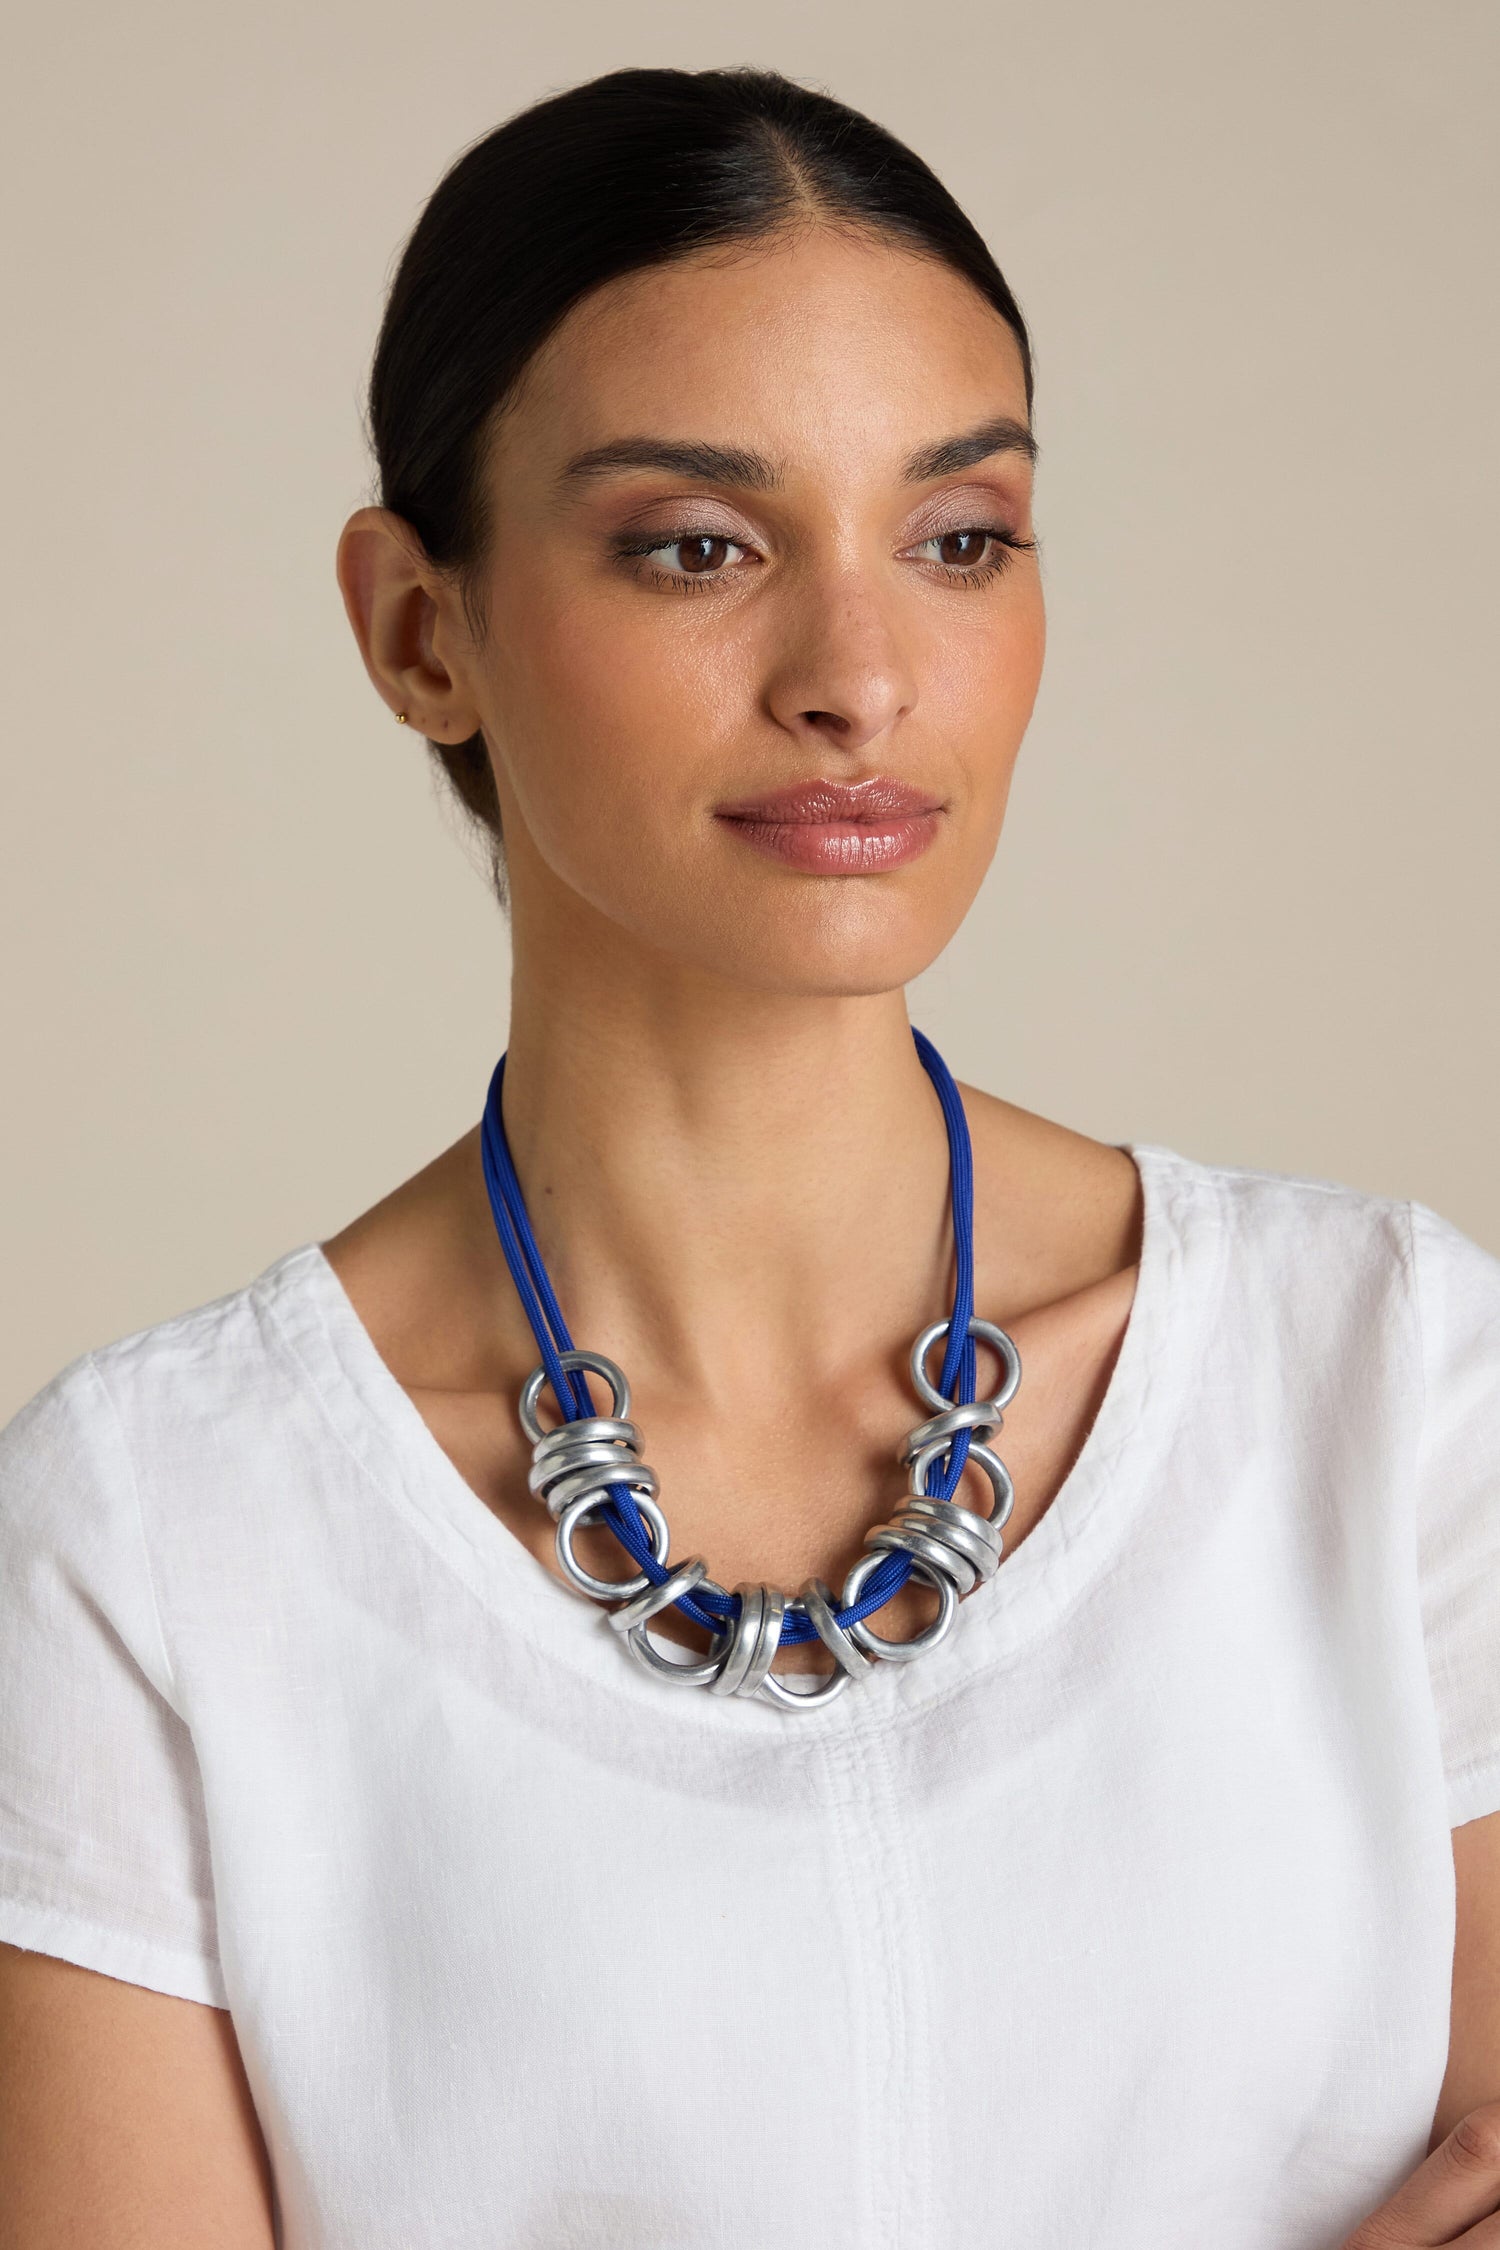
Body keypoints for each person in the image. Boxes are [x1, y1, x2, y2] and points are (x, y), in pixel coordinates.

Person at [1, 61, 1497, 2250]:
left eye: (959, 537)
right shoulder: (150, 1543)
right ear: (422, 629)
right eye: (698, 546)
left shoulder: (1399, 1387)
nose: (864, 674)